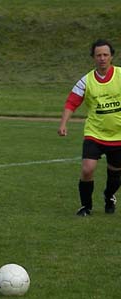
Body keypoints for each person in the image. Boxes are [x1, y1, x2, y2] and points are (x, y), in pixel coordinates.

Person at [58, 39, 121, 217]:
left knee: (115, 174)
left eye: (105, 55)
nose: (102, 58)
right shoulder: (86, 81)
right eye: (98, 55)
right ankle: (86, 206)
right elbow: (71, 102)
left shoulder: (120, 75)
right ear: (93, 57)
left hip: (118, 135)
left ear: (111, 56)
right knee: (87, 169)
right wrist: (63, 124)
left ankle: (109, 196)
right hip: (95, 133)